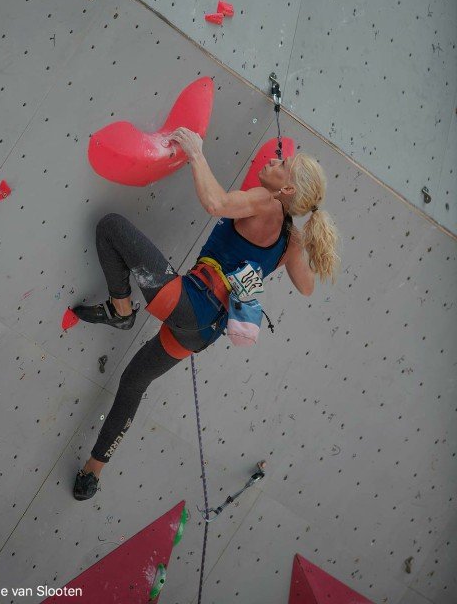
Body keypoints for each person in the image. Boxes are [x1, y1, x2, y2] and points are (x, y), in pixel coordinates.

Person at [72, 127, 340, 500]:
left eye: (282, 165)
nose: (274, 160)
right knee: (134, 380)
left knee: (111, 226)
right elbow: (307, 286)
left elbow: (215, 204)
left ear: (287, 191)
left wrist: (196, 154)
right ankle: (92, 471)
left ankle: (120, 309)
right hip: (204, 331)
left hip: (191, 302)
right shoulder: (290, 239)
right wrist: (302, 239)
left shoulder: (264, 200)